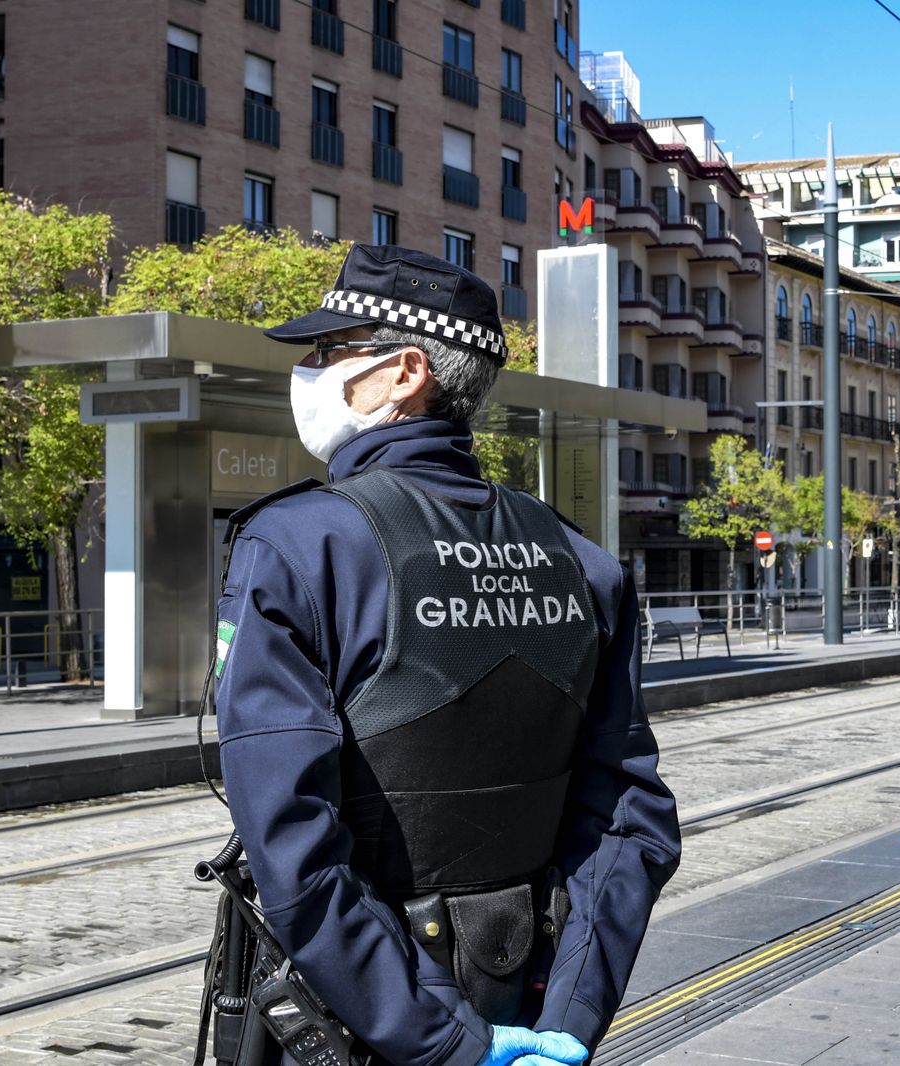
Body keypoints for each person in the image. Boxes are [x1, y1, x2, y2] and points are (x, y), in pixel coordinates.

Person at [211, 244, 682, 1066]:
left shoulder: (297, 545)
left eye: (329, 351)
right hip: (530, 1004)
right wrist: (567, 1021)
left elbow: (294, 844)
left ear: (404, 372)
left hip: (355, 1024)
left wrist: (443, 1042)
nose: (311, 372)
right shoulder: (583, 559)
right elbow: (628, 819)